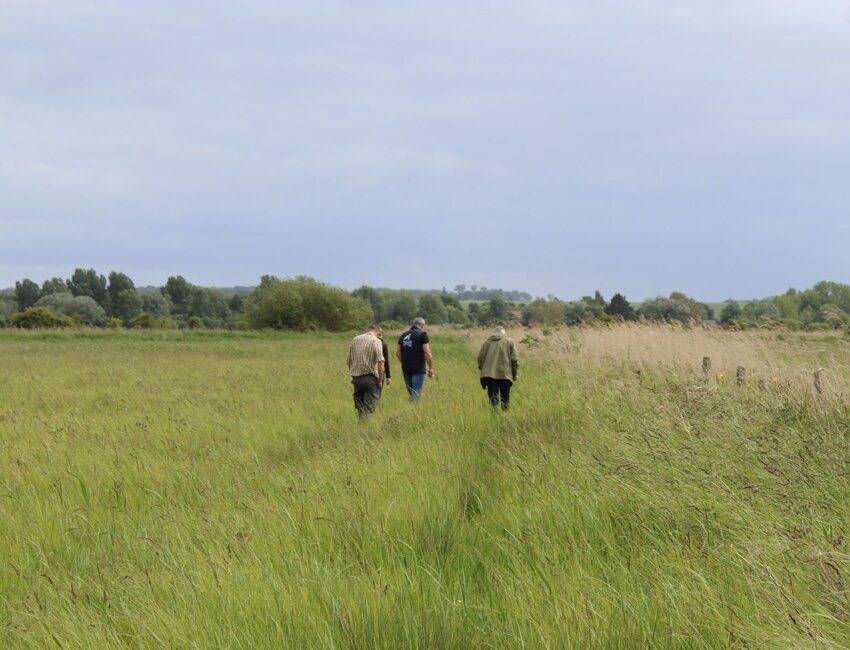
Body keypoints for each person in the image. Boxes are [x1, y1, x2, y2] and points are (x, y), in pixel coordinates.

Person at [347, 324, 385, 419]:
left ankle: (361, 426)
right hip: (370, 379)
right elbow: (381, 363)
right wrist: (380, 380)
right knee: (368, 409)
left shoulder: (355, 339)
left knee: (360, 407)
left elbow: (349, 361)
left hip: (356, 379)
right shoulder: (376, 341)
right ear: (378, 331)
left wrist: (353, 375)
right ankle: (364, 429)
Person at [477, 324, 519, 410]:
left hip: (490, 376)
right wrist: (515, 374)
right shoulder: (509, 342)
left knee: (493, 401)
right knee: (505, 399)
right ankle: (505, 417)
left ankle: (494, 417)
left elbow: (480, 359)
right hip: (506, 375)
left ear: (494, 333)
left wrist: (484, 369)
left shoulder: (486, 343)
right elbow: (514, 360)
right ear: (504, 333)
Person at [396, 317, 433, 401]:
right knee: (416, 394)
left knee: (411, 393)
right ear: (422, 325)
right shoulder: (422, 335)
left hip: (406, 368)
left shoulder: (403, 335)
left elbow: (398, 353)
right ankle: (414, 411)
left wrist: (403, 361)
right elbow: (427, 352)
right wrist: (431, 368)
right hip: (418, 368)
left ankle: (411, 409)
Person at [377, 327, 391, 393]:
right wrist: (388, 376)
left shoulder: (367, 342)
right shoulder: (383, 344)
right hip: (380, 371)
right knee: (378, 392)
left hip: (368, 372)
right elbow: (386, 361)